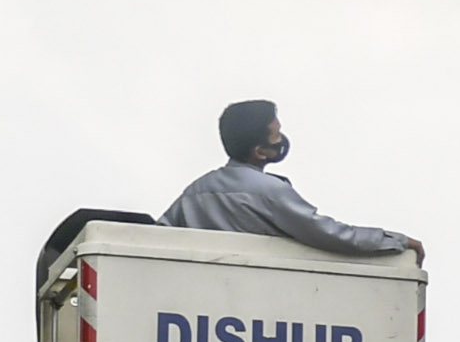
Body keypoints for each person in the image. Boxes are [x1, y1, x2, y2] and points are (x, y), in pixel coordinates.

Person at [162, 100, 421, 257]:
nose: (281, 139)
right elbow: (330, 235)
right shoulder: (271, 192)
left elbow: (158, 234)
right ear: (260, 151)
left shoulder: (195, 192)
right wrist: (395, 241)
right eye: (276, 134)